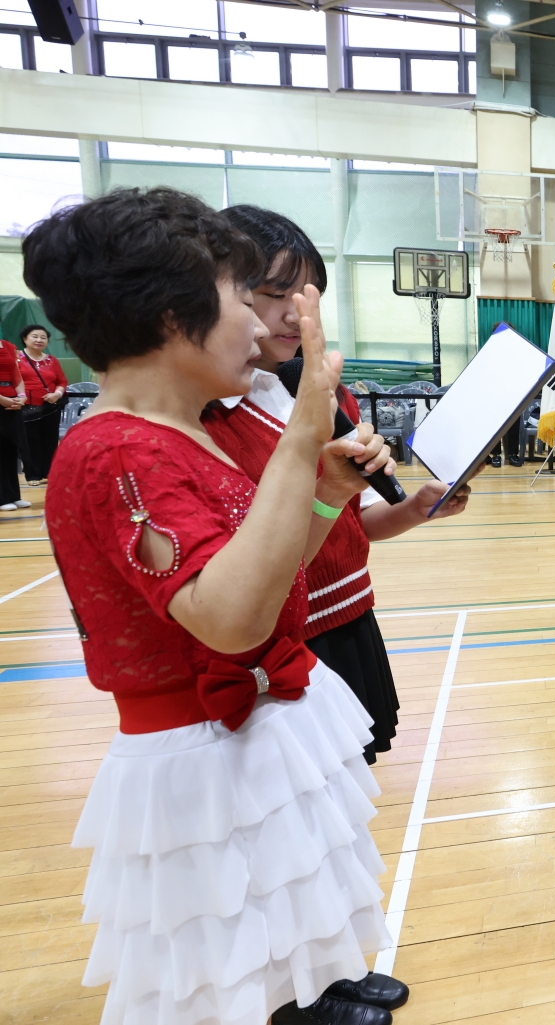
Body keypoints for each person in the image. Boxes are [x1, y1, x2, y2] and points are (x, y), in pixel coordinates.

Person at [25, 186, 404, 1025]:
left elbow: (269, 582)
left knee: (278, 916)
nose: (262, 322)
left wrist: (321, 497)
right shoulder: (117, 448)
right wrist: (305, 432)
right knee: (221, 965)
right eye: (242, 297)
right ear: (171, 315)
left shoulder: (188, 428)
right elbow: (228, 619)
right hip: (197, 745)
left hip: (253, 724)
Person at [204, 205, 471, 766]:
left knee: (351, 788)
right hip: (284, 640)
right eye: (274, 294)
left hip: (351, 618)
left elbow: (359, 524)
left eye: (309, 296)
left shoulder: (328, 393)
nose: (293, 314)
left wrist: (418, 509)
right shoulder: (212, 416)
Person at [18, 324, 66, 484]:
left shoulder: (52, 360)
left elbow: (62, 381)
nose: (39, 340)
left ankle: (48, 473)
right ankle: (32, 475)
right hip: (26, 407)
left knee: (50, 440)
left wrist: (56, 394)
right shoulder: (16, 358)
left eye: (43, 337)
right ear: (25, 339)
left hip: (50, 408)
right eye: (35, 336)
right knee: (30, 441)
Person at [0, 332, 26, 511]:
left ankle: (13, 495)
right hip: (2, 401)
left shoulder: (7, 346)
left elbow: (16, 374)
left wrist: (22, 397)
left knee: (10, 449)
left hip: (12, 404)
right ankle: (2, 498)